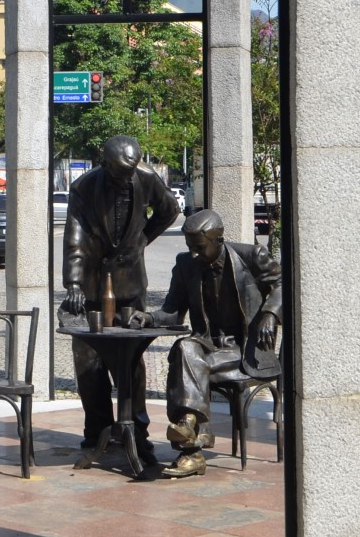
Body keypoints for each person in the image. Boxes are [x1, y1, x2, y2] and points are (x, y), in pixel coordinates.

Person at [59, 135, 180, 451]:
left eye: (129, 174)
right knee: (87, 360)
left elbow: (170, 210)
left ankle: (136, 429)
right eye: (118, 175)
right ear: (105, 166)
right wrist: (73, 284)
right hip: (92, 283)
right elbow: (75, 238)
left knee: (131, 359)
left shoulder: (147, 178)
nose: (125, 181)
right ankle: (97, 428)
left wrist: (143, 239)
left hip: (129, 283)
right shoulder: (84, 187)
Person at [157, 208, 282, 478]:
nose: (194, 254)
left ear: (218, 240)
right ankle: (190, 426)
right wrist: (144, 317)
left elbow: (283, 284)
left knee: (191, 362)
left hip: (245, 348)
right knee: (185, 347)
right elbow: (171, 311)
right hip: (208, 345)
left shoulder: (252, 257)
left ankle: (190, 440)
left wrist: (270, 314)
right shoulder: (186, 264)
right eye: (190, 247)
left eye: (199, 248)